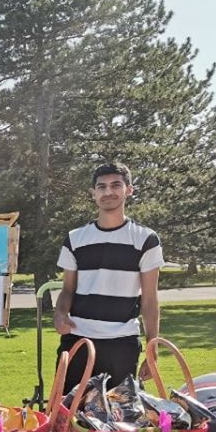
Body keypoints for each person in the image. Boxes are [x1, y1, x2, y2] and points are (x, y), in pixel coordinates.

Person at [53, 162, 164, 393]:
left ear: (129, 190)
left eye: (116, 185)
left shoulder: (145, 240)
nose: (108, 192)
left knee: (117, 420)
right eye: (101, 187)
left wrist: (153, 349)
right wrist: (60, 313)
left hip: (121, 343)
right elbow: (67, 290)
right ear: (93, 194)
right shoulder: (75, 238)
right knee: (68, 418)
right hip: (78, 339)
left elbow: (150, 300)